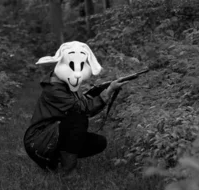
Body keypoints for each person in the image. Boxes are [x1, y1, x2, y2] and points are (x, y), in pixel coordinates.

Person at [23, 41, 126, 175]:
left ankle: (57, 162)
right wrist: (109, 90)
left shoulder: (68, 83)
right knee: (77, 118)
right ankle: (67, 171)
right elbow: (83, 108)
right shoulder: (54, 87)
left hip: (53, 135)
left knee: (99, 142)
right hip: (38, 142)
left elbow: (84, 102)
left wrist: (101, 90)